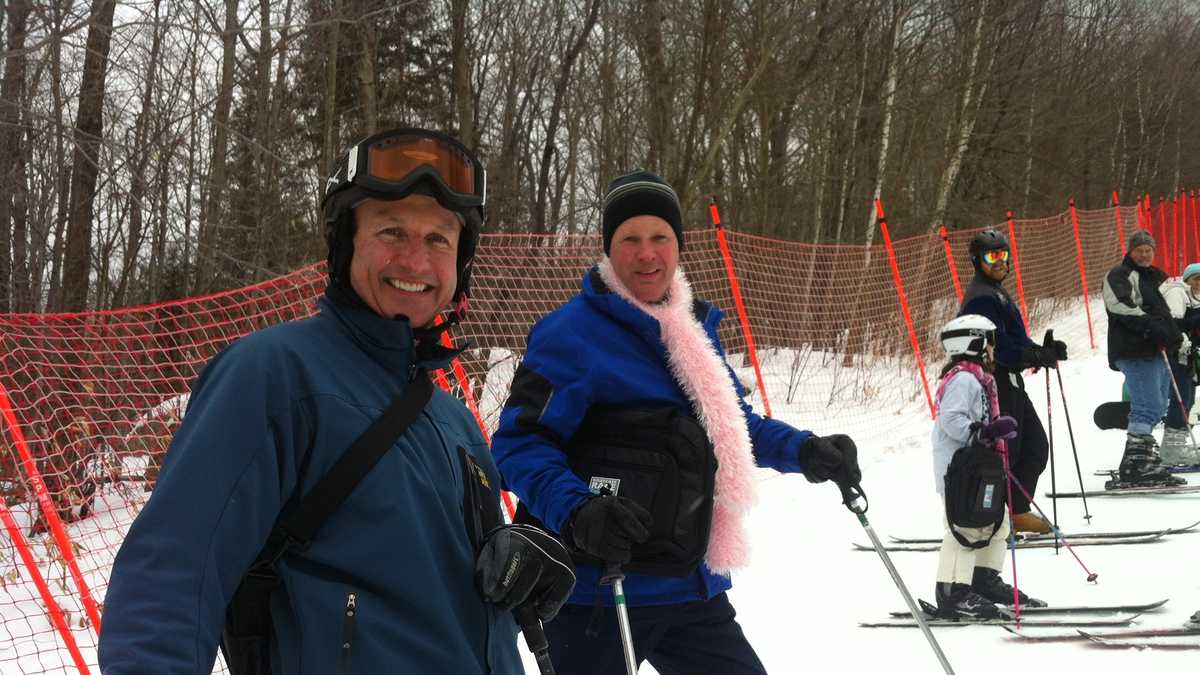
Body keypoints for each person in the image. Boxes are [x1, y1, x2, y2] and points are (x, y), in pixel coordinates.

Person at [98, 128, 575, 674]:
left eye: (438, 239)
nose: (416, 260)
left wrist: (511, 555)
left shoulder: (454, 422)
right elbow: (173, 575)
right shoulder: (275, 376)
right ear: (346, 242)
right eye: (392, 231)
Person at [490, 170, 863, 674]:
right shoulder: (570, 335)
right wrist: (577, 509)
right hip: (597, 592)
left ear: (679, 246)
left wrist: (806, 451)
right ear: (608, 249)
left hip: (689, 584)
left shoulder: (691, 332)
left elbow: (730, 426)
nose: (647, 254)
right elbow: (519, 445)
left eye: (660, 237)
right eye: (631, 239)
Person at [931, 314, 1045, 618]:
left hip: (978, 467)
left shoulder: (979, 379)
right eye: (990, 342)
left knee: (997, 524)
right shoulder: (962, 379)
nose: (994, 349)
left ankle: (982, 580)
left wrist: (994, 432)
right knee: (964, 529)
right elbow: (951, 419)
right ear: (974, 344)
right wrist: (982, 432)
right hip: (959, 470)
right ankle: (952, 591)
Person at [958, 229, 1064, 533]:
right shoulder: (981, 298)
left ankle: (1016, 512)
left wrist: (1040, 351)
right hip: (994, 383)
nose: (1000, 262)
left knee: (1034, 446)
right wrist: (1030, 356)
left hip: (1009, 381)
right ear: (977, 261)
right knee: (1008, 452)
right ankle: (990, 515)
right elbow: (998, 346)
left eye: (1004, 255)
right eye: (992, 256)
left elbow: (1015, 339)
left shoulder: (996, 292)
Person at [1101, 229, 1188, 488]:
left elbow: (1162, 313)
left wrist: (1174, 336)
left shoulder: (1152, 278)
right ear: (1130, 251)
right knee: (1147, 404)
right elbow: (1119, 306)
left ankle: (1142, 457)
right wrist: (1151, 327)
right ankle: (1137, 464)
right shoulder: (1120, 274)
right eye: (1139, 250)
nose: (1144, 254)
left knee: (1159, 405)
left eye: (1149, 250)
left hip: (1155, 349)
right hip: (1133, 349)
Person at [1158, 261, 1200, 465]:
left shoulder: (1194, 298)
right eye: (1196, 278)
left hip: (1188, 355)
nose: (1199, 283)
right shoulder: (1177, 293)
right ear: (1187, 279)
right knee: (1181, 398)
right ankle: (1171, 450)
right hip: (1176, 353)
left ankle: (1176, 444)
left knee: (1188, 399)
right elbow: (1173, 323)